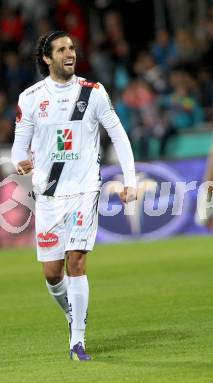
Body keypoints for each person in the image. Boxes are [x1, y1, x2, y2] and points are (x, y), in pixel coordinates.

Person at [11, 30, 137, 361]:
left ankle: (77, 341)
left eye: (72, 47)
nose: (70, 53)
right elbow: (17, 148)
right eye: (62, 49)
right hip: (49, 195)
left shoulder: (92, 93)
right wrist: (19, 162)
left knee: (76, 262)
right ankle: (72, 313)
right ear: (47, 58)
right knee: (53, 273)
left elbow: (119, 135)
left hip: (84, 189)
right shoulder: (31, 97)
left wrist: (130, 180)